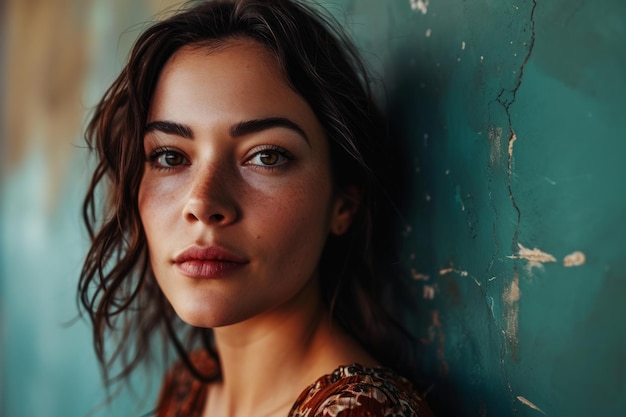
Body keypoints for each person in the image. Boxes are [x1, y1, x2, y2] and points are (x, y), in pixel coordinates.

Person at [79, 0, 434, 416]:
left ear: (344, 202)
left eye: (265, 156)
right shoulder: (190, 386)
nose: (203, 203)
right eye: (171, 157)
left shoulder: (363, 412)